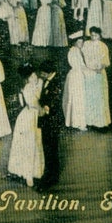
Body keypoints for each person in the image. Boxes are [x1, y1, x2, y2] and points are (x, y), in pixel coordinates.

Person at [7, 64, 44, 187]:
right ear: (27, 78)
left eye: (35, 75)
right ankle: (27, 174)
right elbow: (33, 103)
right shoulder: (27, 87)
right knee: (28, 145)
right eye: (31, 76)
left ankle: (34, 172)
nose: (34, 77)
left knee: (35, 144)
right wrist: (42, 110)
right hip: (28, 117)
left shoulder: (37, 84)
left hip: (34, 115)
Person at [36, 60, 63, 190]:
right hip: (48, 120)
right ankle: (50, 174)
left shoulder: (56, 82)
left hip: (52, 120)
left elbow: (53, 100)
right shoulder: (49, 80)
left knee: (51, 149)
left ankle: (51, 176)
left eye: (42, 73)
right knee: (48, 148)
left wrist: (45, 108)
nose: (41, 75)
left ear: (49, 72)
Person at [82, 27, 111, 129]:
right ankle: (90, 121)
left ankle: (100, 123)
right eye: (92, 35)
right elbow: (84, 58)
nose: (94, 37)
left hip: (99, 73)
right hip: (89, 73)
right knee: (90, 97)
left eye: (96, 35)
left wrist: (100, 68)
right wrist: (89, 68)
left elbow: (106, 61)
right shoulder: (86, 44)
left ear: (100, 35)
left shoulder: (103, 46)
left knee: (100, 97)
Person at [62, 31, 88, 130]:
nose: (81, 44)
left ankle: (72, 121)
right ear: (75, 42)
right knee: (78, 99)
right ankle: (77, 123)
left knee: (75, 98)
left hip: (75, 75)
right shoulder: (75, 51)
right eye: (79, 42)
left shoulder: (75, 50)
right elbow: (80, 66)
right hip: (77, 76)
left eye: (82, 42)